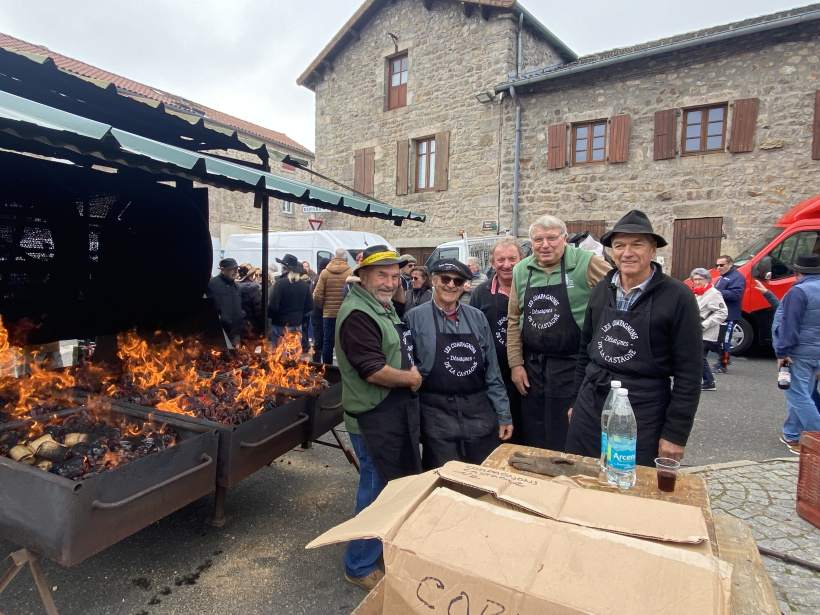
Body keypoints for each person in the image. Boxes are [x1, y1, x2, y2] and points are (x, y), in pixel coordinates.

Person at [565, 210, 702, 465]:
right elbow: (585, 351)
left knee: (631, 483)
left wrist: (676, 434)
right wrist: (576, 402)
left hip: (643, 407)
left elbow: (689, 372)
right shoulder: (602, 290)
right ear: (612, 252)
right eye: (619, 245)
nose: (627, 253)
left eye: (637, 244)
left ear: (652, 249)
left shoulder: (678, 297)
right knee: (579, 473)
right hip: (592, 400)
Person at [335, 245, 422, 591]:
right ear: (362, 277)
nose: (389, 282)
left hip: (389, 410)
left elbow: (399, 301)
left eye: (393, 275)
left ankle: (375, 545)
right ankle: (358, 565)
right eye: (380, 275)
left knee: (387, 485)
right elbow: (372, 370)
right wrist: (412, 379)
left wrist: (395, 280)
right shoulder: (358, 314)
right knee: (374, 489)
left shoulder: (380, 305)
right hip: (372, 414)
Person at [507, 215, 611, 450]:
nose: (545, 245)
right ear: (531, 243)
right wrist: (515, 363)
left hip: (574, 367)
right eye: (538, 240)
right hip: (533, 369)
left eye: (552, 238)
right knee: (535, 434)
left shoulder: (586, 263)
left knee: (569, 433)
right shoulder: (521, 270)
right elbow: (514, 319)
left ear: (564, 239)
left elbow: (618, 290)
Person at [405, 258, 513, 469]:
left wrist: (503, 413)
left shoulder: (477, 317)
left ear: (464, 285)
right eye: (446, 279)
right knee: (443, 478)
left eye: (458, 281)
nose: (451, 285)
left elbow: (492, 370)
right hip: (435, 410)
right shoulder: (415, 318)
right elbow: (409, 372)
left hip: (477, 409)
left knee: (483, 475)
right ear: (434, 281)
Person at [470, 237, 525, 443]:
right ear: (492, 263)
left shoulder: (531, 287)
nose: (506, 264)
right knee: (498, 434)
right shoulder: (480, 293)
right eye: (500, 259)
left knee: (524, 431)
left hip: (527, 374)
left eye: (512, 258)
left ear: (522, 259)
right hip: (494, 376)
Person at [772, 253, 820, 455]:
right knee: (805, 393)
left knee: (797, 396)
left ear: (797, 271)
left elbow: (789, 324)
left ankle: (816, 437)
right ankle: (791, 434)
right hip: (816, 351)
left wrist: (782, 351)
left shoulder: (798, 292)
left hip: (799, 351)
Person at [690, 268, 728, 392]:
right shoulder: (695, 292)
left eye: (700, 279)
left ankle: (708, 382)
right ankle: (707, 382)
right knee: (698, 357)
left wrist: (704, 325)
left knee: (699, 357)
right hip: (694, 330)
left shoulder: (713, 293)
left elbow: (722, 312)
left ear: (707, 279)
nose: (697, 282)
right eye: (695, 279)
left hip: (705, 331)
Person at [313, 248, 353, 364]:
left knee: (327, 342)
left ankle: (327, 368)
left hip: (328, 314)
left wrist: (324, 307)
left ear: (333, 257)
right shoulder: (349, 272)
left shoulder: (325, 273)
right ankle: (343, 369)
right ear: (345, 258)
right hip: (345, 314)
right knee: (344, 343)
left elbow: (316, 295)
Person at [268, 254, 313, 353]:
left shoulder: (280, 284)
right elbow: (310, 305)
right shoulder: (304, 285)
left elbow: (273, 307)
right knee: (294, 358)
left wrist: (273, 316)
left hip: (280, 325)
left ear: (284, 268)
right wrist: (298, 313)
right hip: (296, 324)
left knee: (279, 357)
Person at [711, 254, 746, 374]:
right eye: (717, 265)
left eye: (722, 265)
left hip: (730, 315)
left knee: (724, 340)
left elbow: (736, 295)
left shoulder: (737, 277)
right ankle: (724, 358)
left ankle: (723, 364)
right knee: (715, 340)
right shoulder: (723, 277)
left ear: (730, 264)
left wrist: (716, 291)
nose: (719, 268)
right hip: (720, 314)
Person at [206, 257, 245, 346]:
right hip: (219, 335)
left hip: (236, 333)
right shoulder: (211, 285)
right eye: (232, 269)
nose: (236, 271)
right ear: (223, 270)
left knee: (236, 358)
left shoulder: (238, 287)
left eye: (236, 269)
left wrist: (242, 315)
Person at [309, 257, 330, 362]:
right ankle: (316, 363)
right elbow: (316, 296)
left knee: (319, 339)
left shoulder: (315, 277)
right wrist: (323, 306)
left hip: (315, 313)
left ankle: (316, 361)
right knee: (319, 340)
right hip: (318, 313)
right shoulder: (319, 278)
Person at [237, 264, 264, 341]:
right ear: (251, 276)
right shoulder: (254, 291)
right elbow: (259, 311)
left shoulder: (235, 289)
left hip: (238, 327)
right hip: (252, 327)